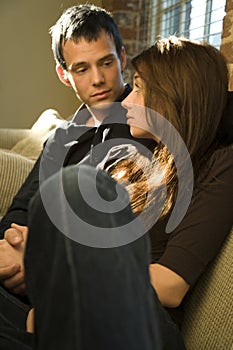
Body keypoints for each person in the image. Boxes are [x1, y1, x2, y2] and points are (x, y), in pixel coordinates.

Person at [24, 36, 233, 348]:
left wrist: (69, 281)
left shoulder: (220, 163)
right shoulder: (143, 161)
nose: (127, 101)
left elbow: (171, 283)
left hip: (141, 322)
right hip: (83, 312)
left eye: (139, 87)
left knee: (71, 185)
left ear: (174, 95)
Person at [0, 4, 155, 349]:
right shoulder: (62, 137)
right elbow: (19, 211)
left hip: (92, 289)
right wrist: (12, 247)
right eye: (81, 68)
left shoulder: (143, 124)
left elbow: (117, 229)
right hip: (26, 287)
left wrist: (37, 258)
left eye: (106, 62)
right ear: (63, 74)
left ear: (122, 57)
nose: (98, 80)